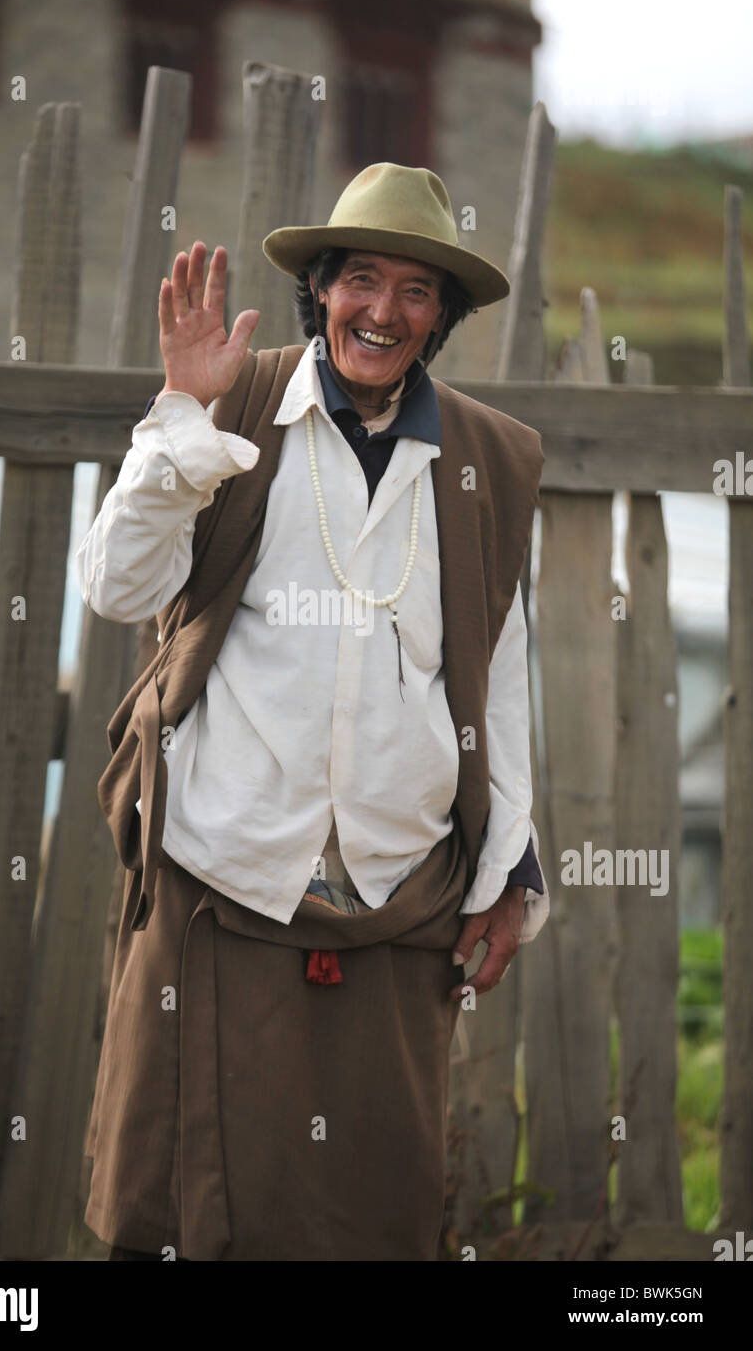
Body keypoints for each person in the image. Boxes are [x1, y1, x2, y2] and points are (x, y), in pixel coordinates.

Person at [78, 162, 549, 1261]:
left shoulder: (489, 458)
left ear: (441, 317)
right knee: (182, 1211)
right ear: (321, 288)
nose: (382, 311)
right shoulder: (236, 407)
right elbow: (117, 588)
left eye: (416, 291)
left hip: (396, 894)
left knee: (363, 1216)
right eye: (361, 280)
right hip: (222, 876)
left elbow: (501, 678)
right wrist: (183, 418)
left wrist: (512, 869)